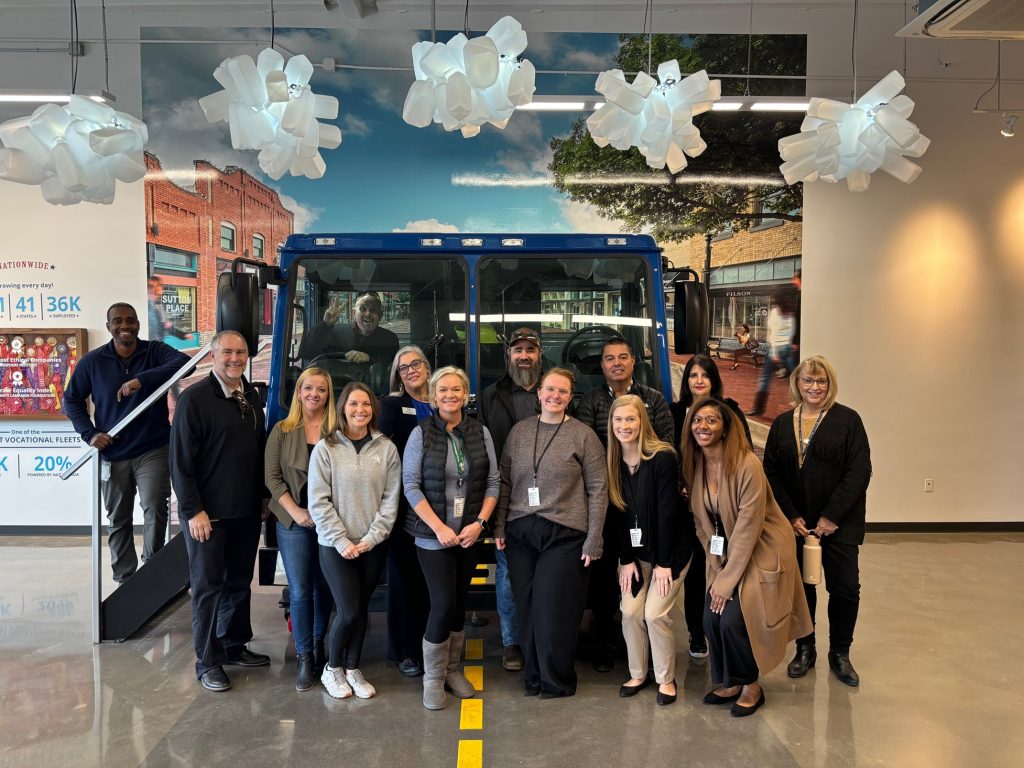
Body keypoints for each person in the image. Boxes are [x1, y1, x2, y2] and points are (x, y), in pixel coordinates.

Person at [681, 398, 812, 717]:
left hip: (761, 547)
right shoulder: (696, 465)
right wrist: (716, 568)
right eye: (697, 421)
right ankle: (730, 681)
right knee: (710, 617)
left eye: (711, 421)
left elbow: (748, 527)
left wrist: (726, 582)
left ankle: (751, 685)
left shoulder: (746, 464)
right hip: (725, 551)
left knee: (736, 618)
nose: (703, 427)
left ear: (725, 427)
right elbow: (702, 523)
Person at [495, 368, 608, 698]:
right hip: (519, 532)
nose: (555, 396)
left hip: (565, 533)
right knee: (527, 605)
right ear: (538, 394)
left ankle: (556, 679)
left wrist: (594, 539)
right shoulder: (519, 432)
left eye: (562, 391)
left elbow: (598, 489)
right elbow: (504, 483)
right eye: (550, 390)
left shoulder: (583, 435)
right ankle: (532, 675)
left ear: (570, 397)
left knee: (552, 606)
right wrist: (500, 525)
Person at [169, 330, 271, 692]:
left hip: (244, 511)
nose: (235, 358)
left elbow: (256, 452)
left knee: (239, 583)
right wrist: (192, 509)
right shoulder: (194, 400)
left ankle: (234, 645)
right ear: (212, 356)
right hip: (207, 516)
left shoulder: (250, 397)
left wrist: (261, 496)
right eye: (227, 352)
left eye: (240, 352)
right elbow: (180, 462)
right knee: (209, 587)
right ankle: (208, 661)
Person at [762, 356, 872, 687]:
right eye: (808, 381)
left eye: (821, 381)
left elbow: (858, 472)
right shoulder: (782, 423)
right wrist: (790, 515)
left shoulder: (848, 420)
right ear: (797, 383)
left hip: (839, 525)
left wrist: (830, 517)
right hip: (795, 524)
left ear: (830, 384)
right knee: (802, 590)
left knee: (845, 589)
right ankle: (805, 648)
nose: (814, 387)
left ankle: (840, 652)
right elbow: (771, 471)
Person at [65, 302, 189, 583]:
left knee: (155, 507)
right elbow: (71, 399)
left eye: (130, 320)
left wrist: (141, 381)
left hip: (152, 448)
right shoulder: (93, 361)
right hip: (112, 452)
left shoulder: (154, 352)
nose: (125, 326)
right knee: (118, 517)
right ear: (109, 326)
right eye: (118, 321)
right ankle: (125, 578)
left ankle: (153, 571)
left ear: (138, 324)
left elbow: (184, 365)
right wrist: (90, 434)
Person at [402, 366, 500, 710]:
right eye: (442, 390)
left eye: (456, 389)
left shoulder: (480, 432)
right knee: (442, 604)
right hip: (432, 538)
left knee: (460, 603)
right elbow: (411, 485)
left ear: (465, 394)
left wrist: (480, 523)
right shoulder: (421, 434)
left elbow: (493, 482)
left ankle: (452, 670)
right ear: (432, 395)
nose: (449, 395)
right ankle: (432, 677)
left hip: (469, 536)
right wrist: (439, 528)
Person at [575, 335, 674, 673]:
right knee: (606, 577)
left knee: (646, 576)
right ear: (601, 365)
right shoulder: (588, 402)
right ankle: (606, 641)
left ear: (634, 362)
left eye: (622, 357)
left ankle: (647, 649)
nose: (616, 363)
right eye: (608, 358)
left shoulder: (655, 401)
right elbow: (587, 450)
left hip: (645, 497)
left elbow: (666, 445)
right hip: (607, 497)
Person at [308, 382, 401, 700]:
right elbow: (318, 501)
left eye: (366, 404)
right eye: (353, 404)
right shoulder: (326, 448)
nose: (360, 410)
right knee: (347, 611)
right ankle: (331, 670)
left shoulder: (386, 448)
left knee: (360, 609)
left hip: (373, 545)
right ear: (343, 408)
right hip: (336, 546)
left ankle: (352, 668)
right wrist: (341, 540)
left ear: (373, 409)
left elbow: (391, 499)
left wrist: (373, 538)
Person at [607, 395, 693, 706]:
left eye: (630, 419)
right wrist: (626, 560)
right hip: (636, 554)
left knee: (654, 614)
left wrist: (662, 563)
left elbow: (668, 514)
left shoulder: (662, 458)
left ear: (642, 423)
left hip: (670, 554)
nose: (624, 426)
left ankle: (665, 678)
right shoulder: (613, 461)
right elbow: (616, 516)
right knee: (630, 612)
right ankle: (638, 673)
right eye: (618, 420)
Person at [669, 353, 751, 661]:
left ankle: (731, 627)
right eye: (693, 375)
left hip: (723, 509)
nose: (698, 380)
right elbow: (667, 453)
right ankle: (697, 632)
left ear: (713, 379)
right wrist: (682, 485)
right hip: (687, 507)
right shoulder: (675, 412)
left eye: (704, 375)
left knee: (728, 565)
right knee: (694, 574)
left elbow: (742, 455)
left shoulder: (730, 411)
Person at [264, 367, 336, 691]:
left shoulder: (339, 430)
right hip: (293, 521)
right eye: (308, 388)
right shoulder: (282, 429)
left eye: (321, 390)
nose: (314, 395)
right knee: (301, 590)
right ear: (299, 392)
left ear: (328, 394)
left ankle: (319, 644)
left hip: (330, 523)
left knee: (326, 589)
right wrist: (297, 511)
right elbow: (272, 478)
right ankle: (305, 656)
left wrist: (324, 516)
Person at [478, 326, 545, 673]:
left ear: (540, 354)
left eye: (530, 350)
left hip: (550, 499)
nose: (523, 356)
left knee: (546, 574)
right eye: (517, 350)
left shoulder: (556, 391)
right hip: (506, 497)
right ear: (508, 355)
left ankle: (541, 638)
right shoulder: (489, 397)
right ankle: (512, 642)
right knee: (506, 574)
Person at [379, 346, 434, 678]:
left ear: (428, 367)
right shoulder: (391, 405)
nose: (411, 371)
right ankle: (405, 652)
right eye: (404, 368)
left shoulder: (443, 400)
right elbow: (385, 452)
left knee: (434, 583)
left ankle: (433, 647)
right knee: (404, 580)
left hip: (441, 506)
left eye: (416, 364)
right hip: (404, 504)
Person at [747, 291, 797, 417]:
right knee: (793, 378)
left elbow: (773, 335)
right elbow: (792, 331)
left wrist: (774, 354)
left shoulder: (775, 312)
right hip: (788, 348)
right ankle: (800, 402)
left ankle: (758, 408)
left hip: (776, 348)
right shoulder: (790, 313)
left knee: (765, 378)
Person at [345, 291, 400, 369]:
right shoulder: (340, 333)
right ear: (354, 313)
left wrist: (369, 358)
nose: (368, 314)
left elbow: (394, 367)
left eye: (373, 310)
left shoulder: (390, 339)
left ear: (380, 315)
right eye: (363, 309)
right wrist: (325, 325)